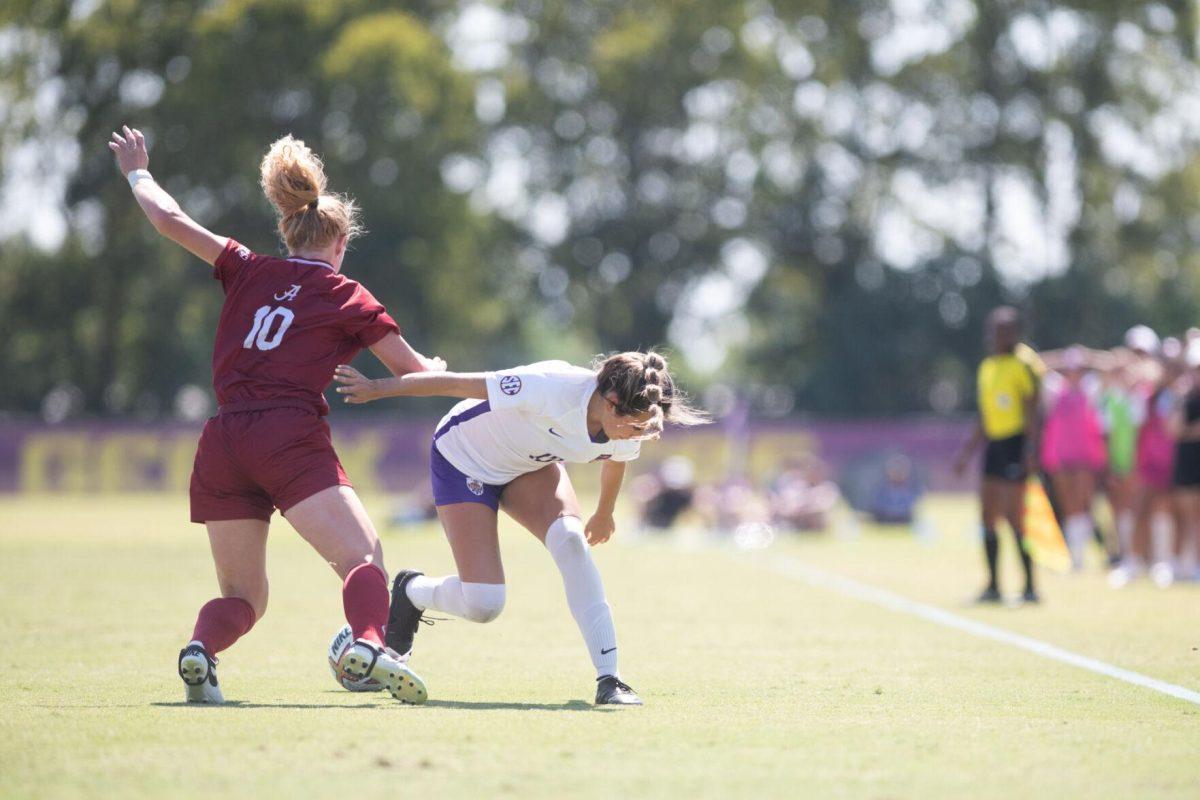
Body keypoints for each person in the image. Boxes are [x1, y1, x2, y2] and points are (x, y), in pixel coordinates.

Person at [110, 126, 442, 704]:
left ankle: (201, 651)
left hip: (223, 438)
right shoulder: (347, 294)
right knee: (362, 558)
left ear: (288, 233)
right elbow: (413, 372)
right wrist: (436, 365)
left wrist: (138, 170)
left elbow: (168, 219)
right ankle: (368, 646)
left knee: (244, 595)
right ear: (339, 244)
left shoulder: (246, 267)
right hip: (286, 433)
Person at [332, 352, 708, 705]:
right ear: (610, 401)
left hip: (527, 467)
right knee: (484, 604)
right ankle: (411, 591)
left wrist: (604, 512)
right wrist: (379, 388)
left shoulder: (628, 423)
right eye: (636, 426)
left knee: (571, 542)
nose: (638, 434)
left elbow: (615, 460)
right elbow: (458, 384)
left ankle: (610, 679)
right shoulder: (549, 386)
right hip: (465, 459)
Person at [954, 307, 1041, 603]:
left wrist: (1031, 448)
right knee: (987, 514)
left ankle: (1030, 587)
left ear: (1016, 332)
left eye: (1004, 329)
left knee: (1015, 515)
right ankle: (993, 585)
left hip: (1016, 444)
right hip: (994, 445)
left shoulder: (1025, 363)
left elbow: (1032, 409)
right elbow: (984, 415)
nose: (998, 335)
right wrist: (966, 454)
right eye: (994, 329)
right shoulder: (988, 366)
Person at [1040, 347, 1107, 570]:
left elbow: (1112, 366)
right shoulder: (1055, 389)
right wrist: (1062, 358)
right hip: (1060, 456)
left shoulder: (1091, 389)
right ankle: (1073, 555)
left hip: (1084, 456)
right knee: (1067, 505)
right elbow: (1038, 365)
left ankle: (1079, 556)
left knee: (1082, 504)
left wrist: (1089, 357)